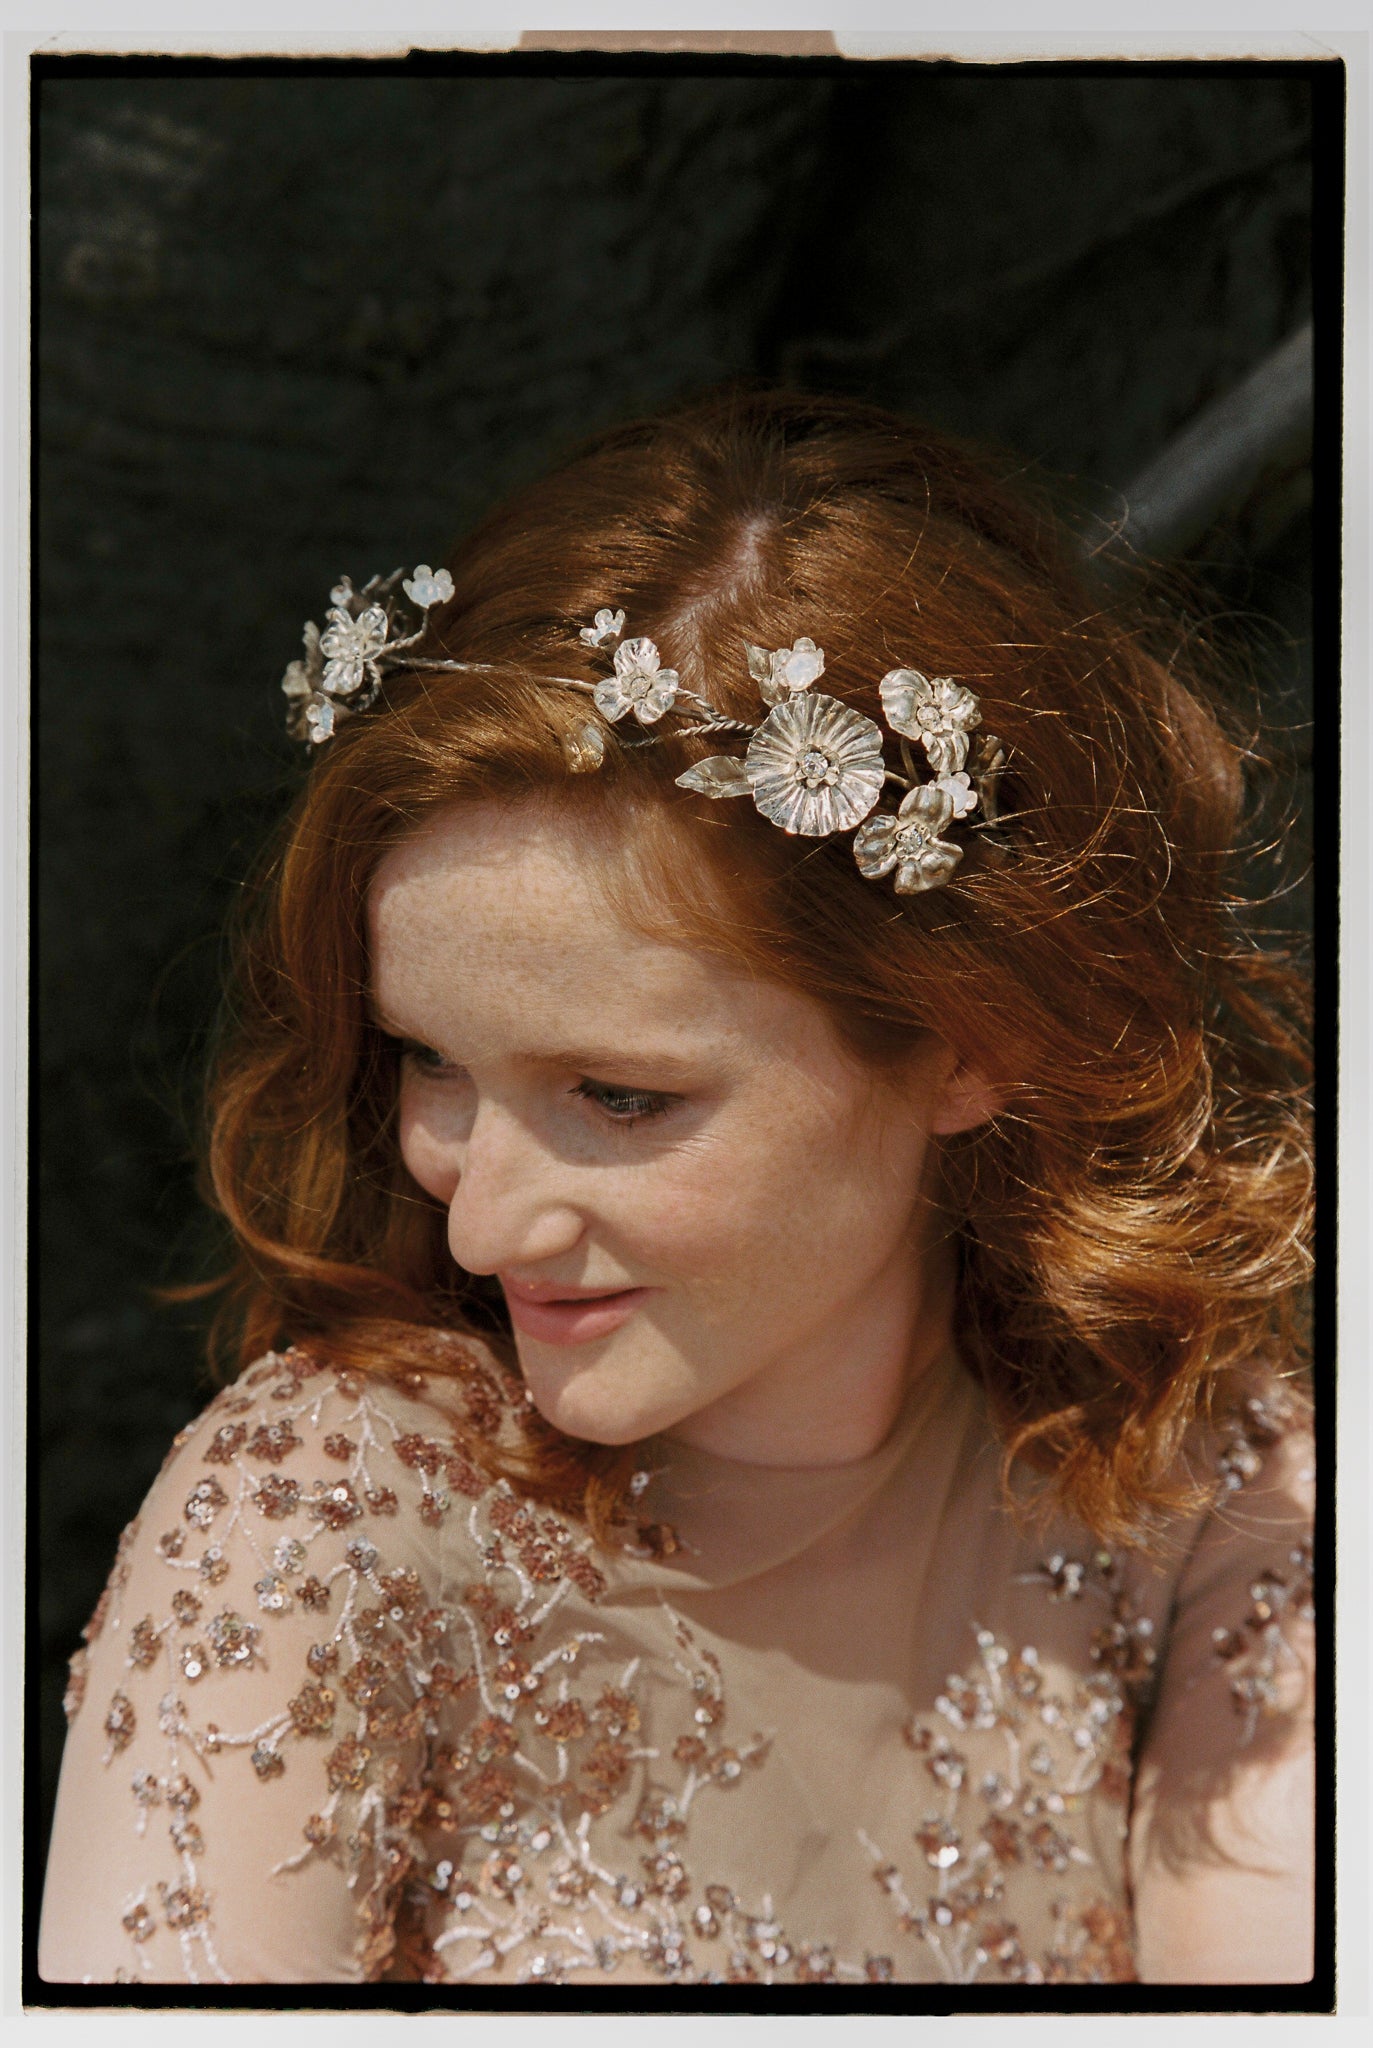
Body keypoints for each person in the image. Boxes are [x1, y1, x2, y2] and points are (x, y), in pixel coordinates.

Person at [38, 392, 1315, 1990]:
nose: (477, 1222)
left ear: (969, 1039)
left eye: (618, 1097)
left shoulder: (1205, 1487)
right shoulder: (306, 1527)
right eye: (428, 1064)